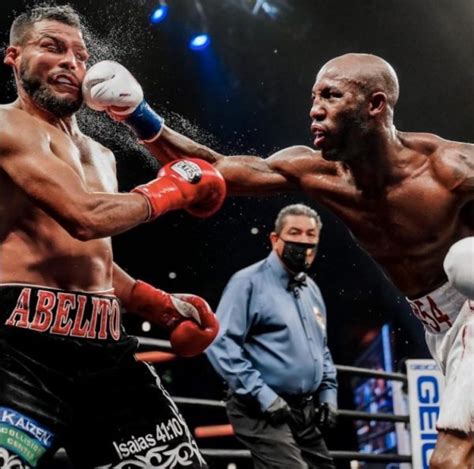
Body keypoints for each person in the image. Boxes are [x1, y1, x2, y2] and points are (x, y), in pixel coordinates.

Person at [84, 52, 474, 467]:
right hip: (439, 329)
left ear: (375, 105)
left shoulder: (450, 169)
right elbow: (213, 170)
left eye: (331, 95)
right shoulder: (315, 171)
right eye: (313, 97)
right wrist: (137, 113)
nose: (315, 109)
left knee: (451, 460)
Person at [0, 5, 227, 468]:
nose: (71, 62)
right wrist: (170, 189)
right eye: (53, 47)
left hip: (107, 347)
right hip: (19, 348)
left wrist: (156, 304)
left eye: (81, 55)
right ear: (14, 56)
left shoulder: (102, 153)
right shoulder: (5, 127)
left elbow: (89, 252)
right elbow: (85, 217)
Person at [205, 203, 337, 469]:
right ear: (275, 239)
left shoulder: (310, 288)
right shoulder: (248, 282)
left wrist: (328, 394)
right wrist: (263, 395)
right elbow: (219, 343)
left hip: (303, 410)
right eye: (295, 232)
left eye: (310, 235)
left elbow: (321, 347)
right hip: (256, 406)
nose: (303, 241)